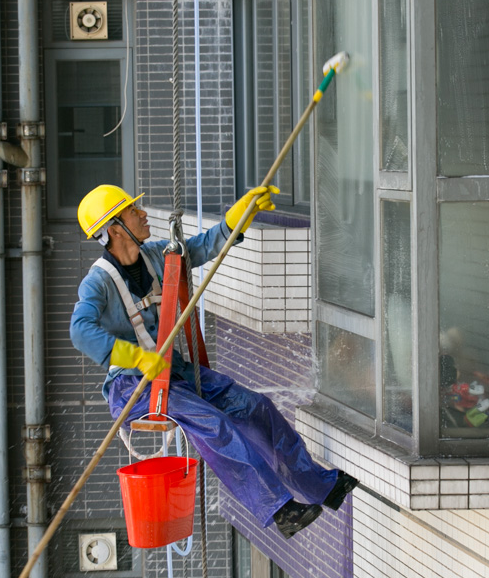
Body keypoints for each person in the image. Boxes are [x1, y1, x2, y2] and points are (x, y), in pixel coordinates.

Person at [69, 184, 357, 538]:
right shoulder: (97, 283)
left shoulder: (157, 256)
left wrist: (239, 217)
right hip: (135, 388)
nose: (142, 214)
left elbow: (202, 247)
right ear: (114, 229)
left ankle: (322, 486)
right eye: (132, 212)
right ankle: (280, 510)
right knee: (217, 426)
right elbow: (80, 331)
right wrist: (136, 358)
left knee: (256, 407)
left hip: (174, 375)